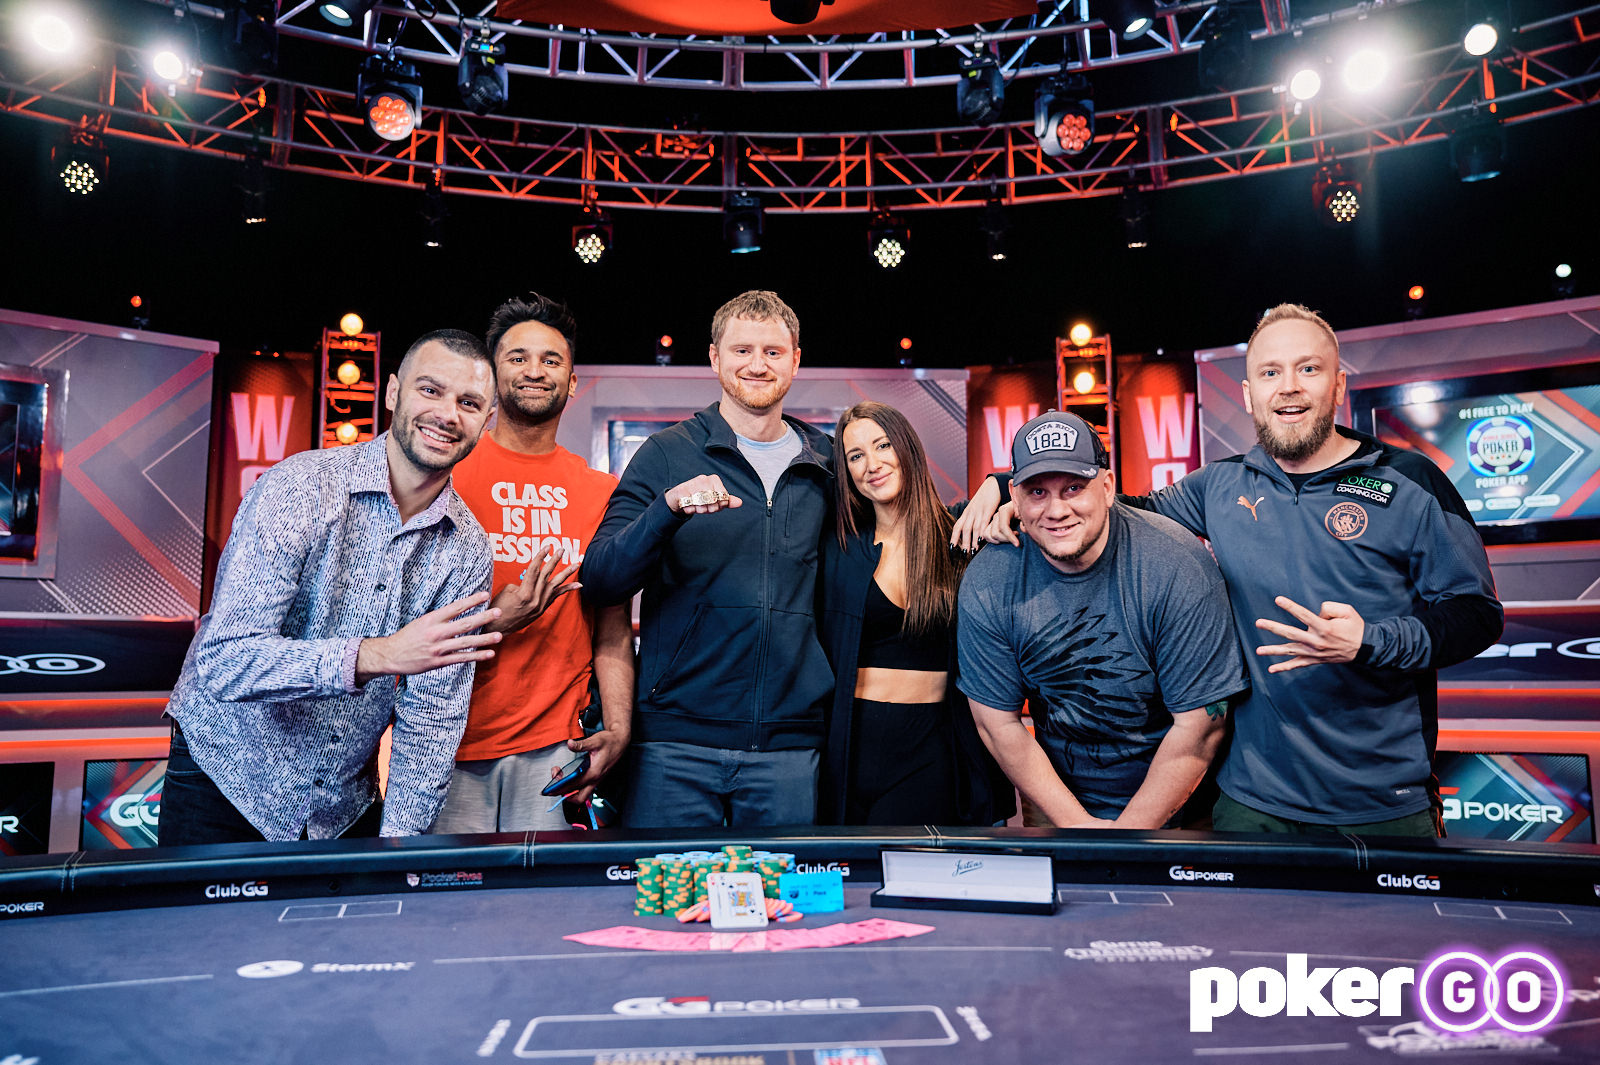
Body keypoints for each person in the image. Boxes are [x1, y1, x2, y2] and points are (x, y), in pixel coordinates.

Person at [1124, 303, 1503, 835]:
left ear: (1338, 384)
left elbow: (1477, 614)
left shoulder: (1410, 480)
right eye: (1270, 372)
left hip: (1384, 806)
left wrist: (1368, 641)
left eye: (1308, 368)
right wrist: (1013, 485)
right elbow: (1112, 510)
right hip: (1251, 804)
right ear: (1249, 393)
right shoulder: (1217, 487)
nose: (1289, 387)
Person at [160, 329, 501, 845]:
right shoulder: (300, 488)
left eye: (469, 402)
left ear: (486, 421)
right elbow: (225, 663)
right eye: (430, 390)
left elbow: (432, 720)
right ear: (392, 394)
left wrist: (399, 847)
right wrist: (376, 655)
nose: (448, 414)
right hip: (225, 780)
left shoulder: (468, 549)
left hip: (342, 806)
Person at [581, 290, 834, 828]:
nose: (757, 365)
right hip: (675, 745)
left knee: (788, 910)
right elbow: (602, 578)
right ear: (715, 358)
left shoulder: (828, 462)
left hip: (791, 745)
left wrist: (999, 489)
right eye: (742, 350)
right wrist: (667, 510)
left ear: (795, 360)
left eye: (772, 351)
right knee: (662, 909)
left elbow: (912, 517)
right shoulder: (667, 453)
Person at [957, 411, 1246, 828]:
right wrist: (1078, 826)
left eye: (1074, 487)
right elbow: (997, 724)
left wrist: (1125, 838)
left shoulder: (1176, 564)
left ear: (1108, 487)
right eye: (1037, 492)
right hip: (1057, 798)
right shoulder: (990, 579)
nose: (1057, 510)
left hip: (1185, 802)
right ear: (1015, 500)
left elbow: (1199, 729)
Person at [430, 293, 634, 834]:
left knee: (543, 912)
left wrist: (618, 728)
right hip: (444, 742)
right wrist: (494, 620)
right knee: (444, 912)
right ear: (493, 375)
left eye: (551, 360)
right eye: (517, 357)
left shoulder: (602, 492)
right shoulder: (443, 476)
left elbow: (611, 623)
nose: (535, 371)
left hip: (554, 747)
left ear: (571, 382)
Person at [818, 401, 1013, 826]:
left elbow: (1048, 483)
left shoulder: (962, 533)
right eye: (855, 456)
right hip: (850, 743)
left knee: (919, 881)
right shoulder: (839, 546)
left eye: (883, 445)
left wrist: (998, 485)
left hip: (931, 743)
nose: (872, 464)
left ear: (906, 447)